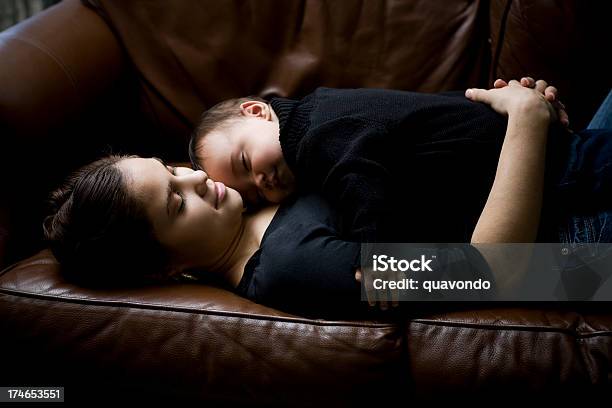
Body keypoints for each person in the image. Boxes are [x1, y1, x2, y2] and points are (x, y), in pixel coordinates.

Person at [43, 81, 590, 315]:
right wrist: (526, 123)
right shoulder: (297, 267)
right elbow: (496, 272)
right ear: (167, 270)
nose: (196, 182)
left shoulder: (248, 186)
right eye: (175, 204)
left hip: (565, 160)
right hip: (574, 235)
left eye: (172, 170)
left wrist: (497, 104)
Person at [188, 79, 611, 245]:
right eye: (253, 192)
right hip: (546, 157)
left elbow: (363, 189)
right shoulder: (327, 109)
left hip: (560, 174)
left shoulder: (316, 136)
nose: (261, 180)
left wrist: (372, 258)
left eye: (245, 161)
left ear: (257, 111)